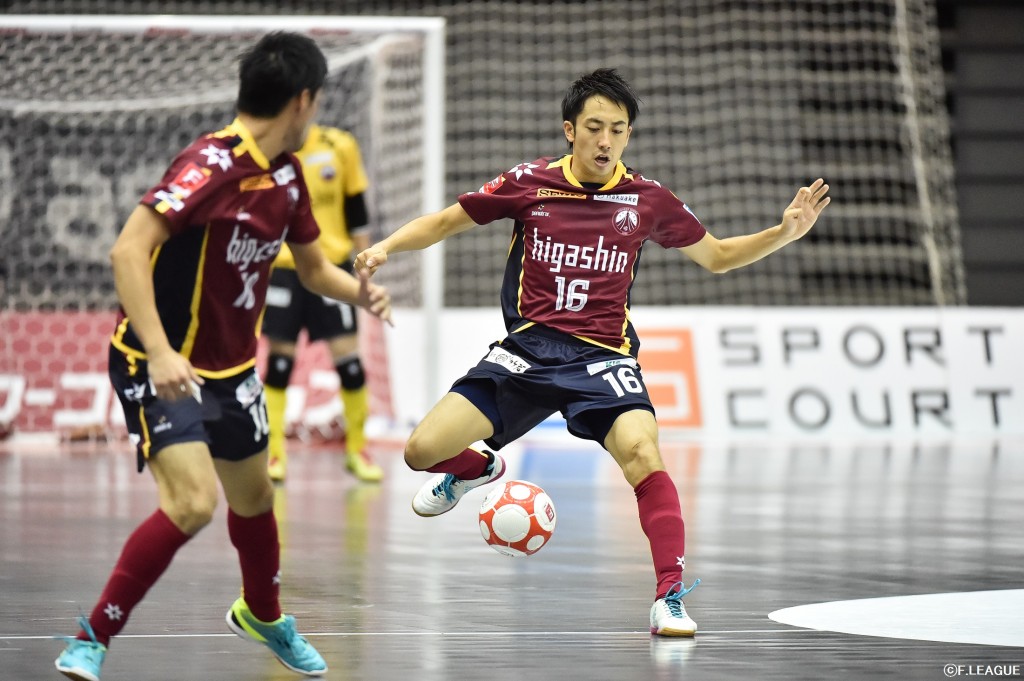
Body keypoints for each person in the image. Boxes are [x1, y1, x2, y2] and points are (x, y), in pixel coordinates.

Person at [355, 68, 829, 637]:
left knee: (644, 455)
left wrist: (783, 233)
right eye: (595, 128)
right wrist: (386, 247)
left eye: (618, 130)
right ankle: (479, 468)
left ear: (629, 135)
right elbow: (445, 221)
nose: (606, 141)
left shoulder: (648, 200)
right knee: (420, 450)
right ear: (570, 130)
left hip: (604, 359)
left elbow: (720, 256)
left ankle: (669, 598)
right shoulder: (530, 183)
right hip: (528, 352)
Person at [54, 32, 391, 681]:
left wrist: (362, 294)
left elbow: (313, 269)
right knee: (192, 503)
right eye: (318, 102)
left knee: (255, 498)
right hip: (161, 363)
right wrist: (159, 352)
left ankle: (263, 614)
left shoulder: (288, 175)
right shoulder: (208, 166)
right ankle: (91, 637)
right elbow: (127, 251)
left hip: (231, 370)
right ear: (303, 100)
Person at [262, 123, 382, 483]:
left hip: (331, 267)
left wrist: (365, 261)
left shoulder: (339, 145)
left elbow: (355, 207)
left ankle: (357, 450)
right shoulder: (266, 147)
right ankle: (273, 454)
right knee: (279, 364)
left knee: (350, 364)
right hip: (284, 269)